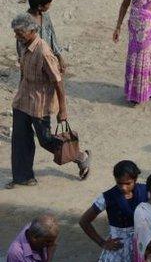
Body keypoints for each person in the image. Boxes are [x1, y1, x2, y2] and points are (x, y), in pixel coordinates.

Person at [9, 14, 92, 189]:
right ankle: (23, 177)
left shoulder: (44, 52)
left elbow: (58, 81)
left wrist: (63, 109)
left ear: (32, 31)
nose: (17, 37)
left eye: (20, 33)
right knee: (20, 140)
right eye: (16, 34)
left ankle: (80, 156)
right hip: (22, 101)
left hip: (40, 105)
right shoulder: (24, 46)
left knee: (46, 140)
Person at [80, 160, 148, 262]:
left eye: (128, 183)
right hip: (118, 250)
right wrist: (102, 242)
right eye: (119, 183)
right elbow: (84, 221)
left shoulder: (145, 191)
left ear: (135, 179)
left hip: (141, 246)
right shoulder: (107, 197)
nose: (123, 187)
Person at [18, 0, 65, 72]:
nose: (50, 5)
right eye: (48, 4)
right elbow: (20, 46)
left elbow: (52, 38)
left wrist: (59, 57)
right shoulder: (24, 22)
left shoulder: (46, 17)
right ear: (40, 6)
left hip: (48, 60)